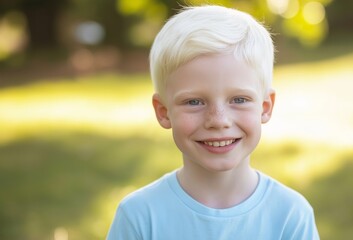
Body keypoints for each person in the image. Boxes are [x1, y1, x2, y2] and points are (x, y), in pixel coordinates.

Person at [107, 5, 319, 240]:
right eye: (194, 102)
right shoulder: (139, 217)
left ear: (265, 107)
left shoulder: (290, 216)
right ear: (164, 112)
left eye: (239, 99)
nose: (218, 120)